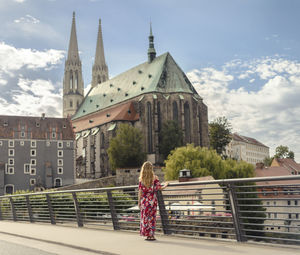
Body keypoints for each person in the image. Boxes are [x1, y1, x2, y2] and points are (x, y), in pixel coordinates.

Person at [138, 161, 168, 241]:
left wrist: (139, 202)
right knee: (152, 218)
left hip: (144, 201)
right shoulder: (155, 178)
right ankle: (152, 235)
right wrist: (165, 184)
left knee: (145, 218)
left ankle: (147, 235)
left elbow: (140, 192)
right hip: (152, 201)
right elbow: (159, 188)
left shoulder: (141, 179)